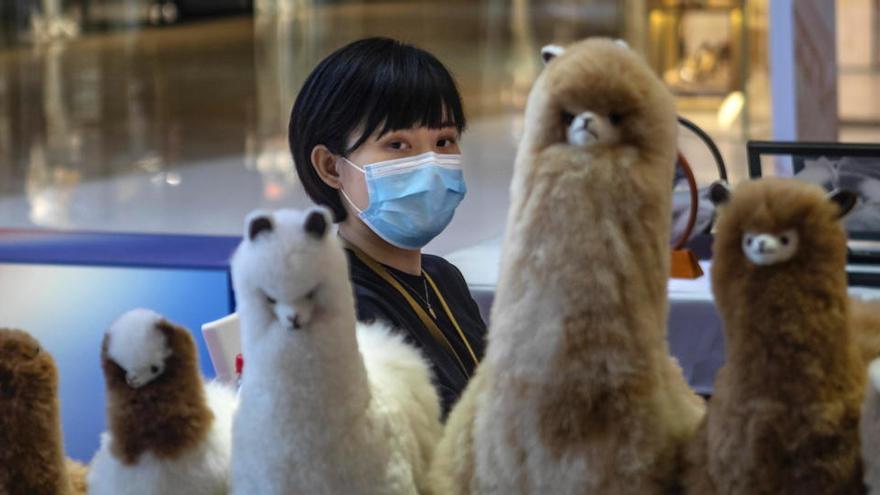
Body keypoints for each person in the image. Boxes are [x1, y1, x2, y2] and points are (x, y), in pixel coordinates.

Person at [289, 37, 486, 416]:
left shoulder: (443, 278)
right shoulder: (338, 310)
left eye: (444, 140)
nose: (430, 163)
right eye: (398, 145)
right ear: (331, 167)